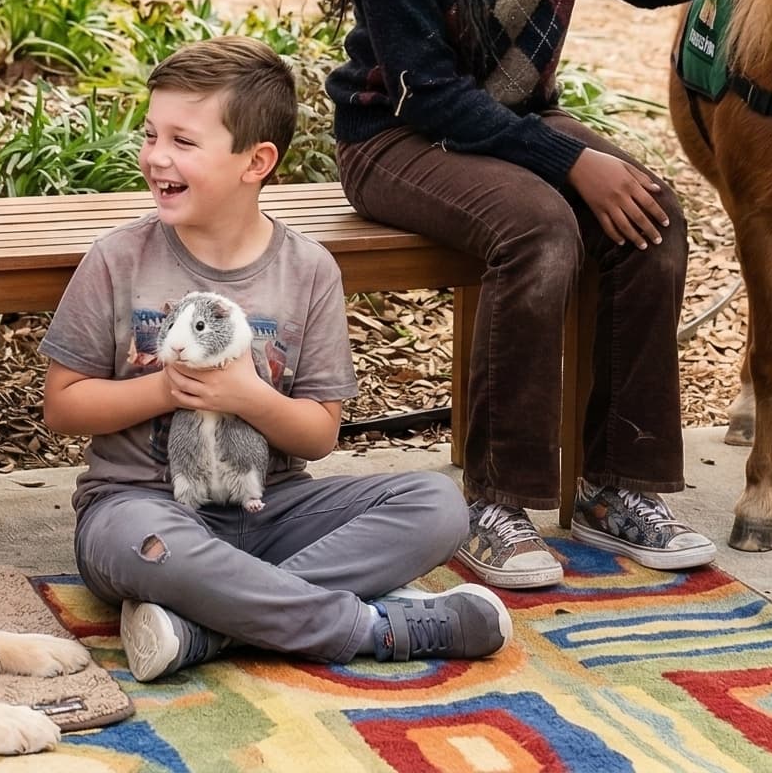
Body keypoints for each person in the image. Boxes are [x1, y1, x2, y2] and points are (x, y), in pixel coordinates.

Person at [329, 0, 768, 589]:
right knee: (541, 226)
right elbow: (432, 96)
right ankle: (495, 504)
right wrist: (573, 159)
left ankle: (614, 487)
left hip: (511, 123)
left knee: (651, 214)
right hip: (397, 136)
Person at [43, 37, 507, 683]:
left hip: (273, 512)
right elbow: (62, 403)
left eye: (183, 141)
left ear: (255, 161)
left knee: (438, 506)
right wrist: (169, 389)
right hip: (141, 507)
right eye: (151, 135)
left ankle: (207, 628)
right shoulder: (119, 258)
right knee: (154, 551)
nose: (155, 157)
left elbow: (318, 435)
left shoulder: (308, 270)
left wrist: (246, 397)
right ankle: (371, 630)